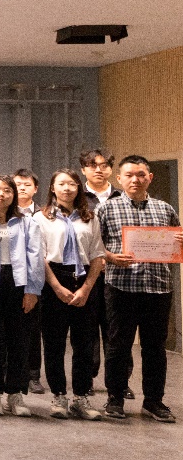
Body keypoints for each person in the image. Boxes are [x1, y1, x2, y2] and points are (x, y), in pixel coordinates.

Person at [96, 155, 182, 422]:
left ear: (150, 178)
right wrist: (111, 257)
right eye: (129, 175)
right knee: (118, 346)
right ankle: (115, 398)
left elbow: (176, 244)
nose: (135, 180)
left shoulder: (165, 209)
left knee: (154, 348)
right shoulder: (106, 210)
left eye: (141, 175)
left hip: (158, 288)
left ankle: (153, 401)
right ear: (119, 179)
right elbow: (93, 246)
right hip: (121, 287)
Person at [33, 169, 105, 421]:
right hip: (54, 281)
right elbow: (39, 256)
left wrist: (86, 288)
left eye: (72, 184)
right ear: (52, 188)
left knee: (84, 345)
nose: (67, 188)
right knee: (54, 344)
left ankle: (81, 397)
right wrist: (56, 287)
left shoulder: (90, 217)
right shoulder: (40, 218)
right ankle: (59, 395)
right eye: (61, 184)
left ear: (79, 188)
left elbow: (97, 255)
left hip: (84, 281)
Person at [0, 175, 44, 417]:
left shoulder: (27, 222)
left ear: (14, 195)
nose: (1, 194)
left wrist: (32, 290)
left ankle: (16, 393)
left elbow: (35, 257)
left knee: (20, 340)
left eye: (7, 190)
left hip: (19, 283)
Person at [80, 148, 126, 397]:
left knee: (117, 329)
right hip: (87, 273)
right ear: (83, 169)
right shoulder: (77, 198)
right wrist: (101, 257)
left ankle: (120, 382)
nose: (98, 169)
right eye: (92, 165)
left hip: (119, 273)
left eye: (104, 165)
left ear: (111, 169)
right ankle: (86, 379)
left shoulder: (123, 197)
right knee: (87, 329)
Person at [13, 168, 45, 394]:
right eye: (17, 184)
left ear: (35, 188)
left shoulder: (44, 215)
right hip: (9, 278)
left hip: (36, 278)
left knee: (33, 330)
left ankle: (33, 375)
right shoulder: (2, 213)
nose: (22, 188)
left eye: (27, 184)